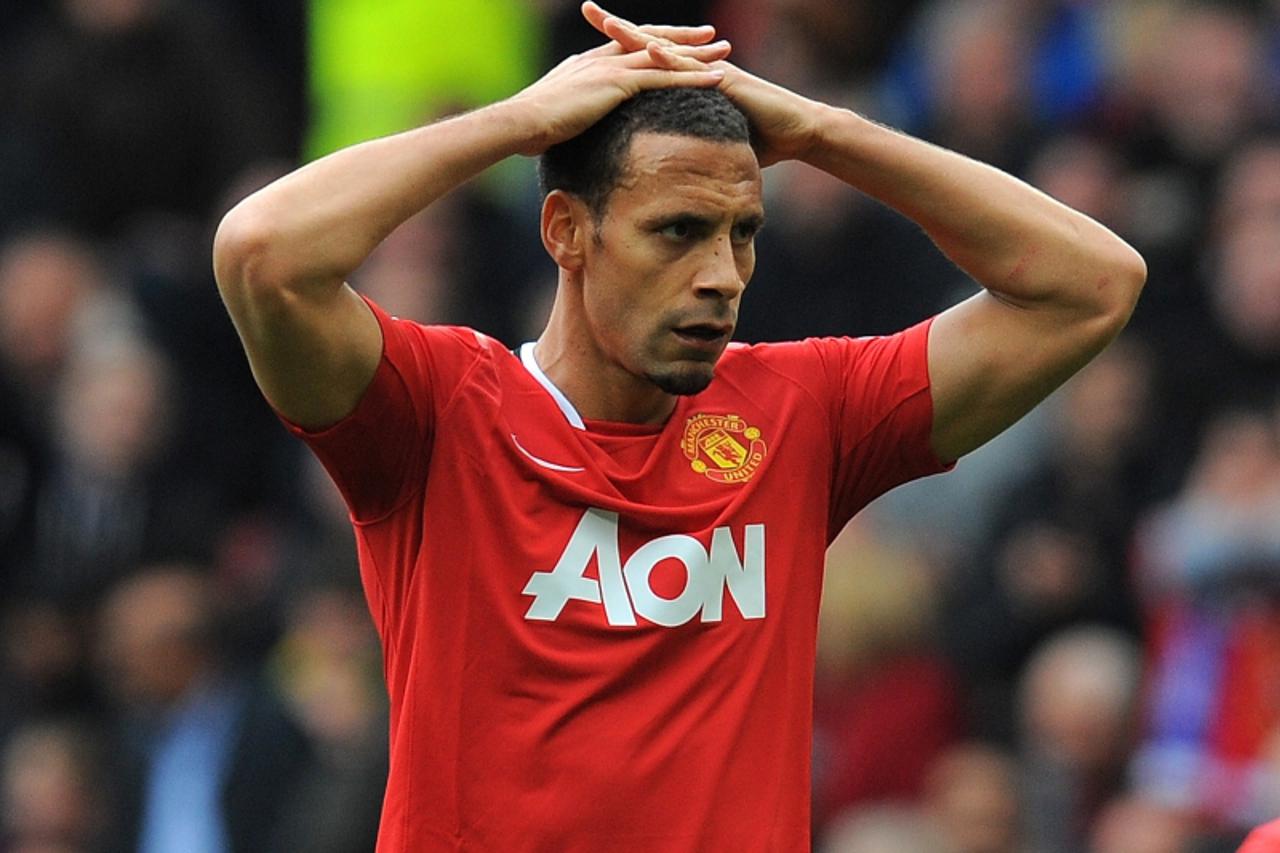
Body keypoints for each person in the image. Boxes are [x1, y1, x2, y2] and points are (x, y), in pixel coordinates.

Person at [212, 3, 1146, 849]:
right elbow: (262, 253)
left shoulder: (801, 412)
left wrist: (824, 131)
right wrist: (513, 123)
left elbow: (1093, 285)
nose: (722, 275)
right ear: (565, 231)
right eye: (677, 231)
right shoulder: (435, 412)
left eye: (742, 233)